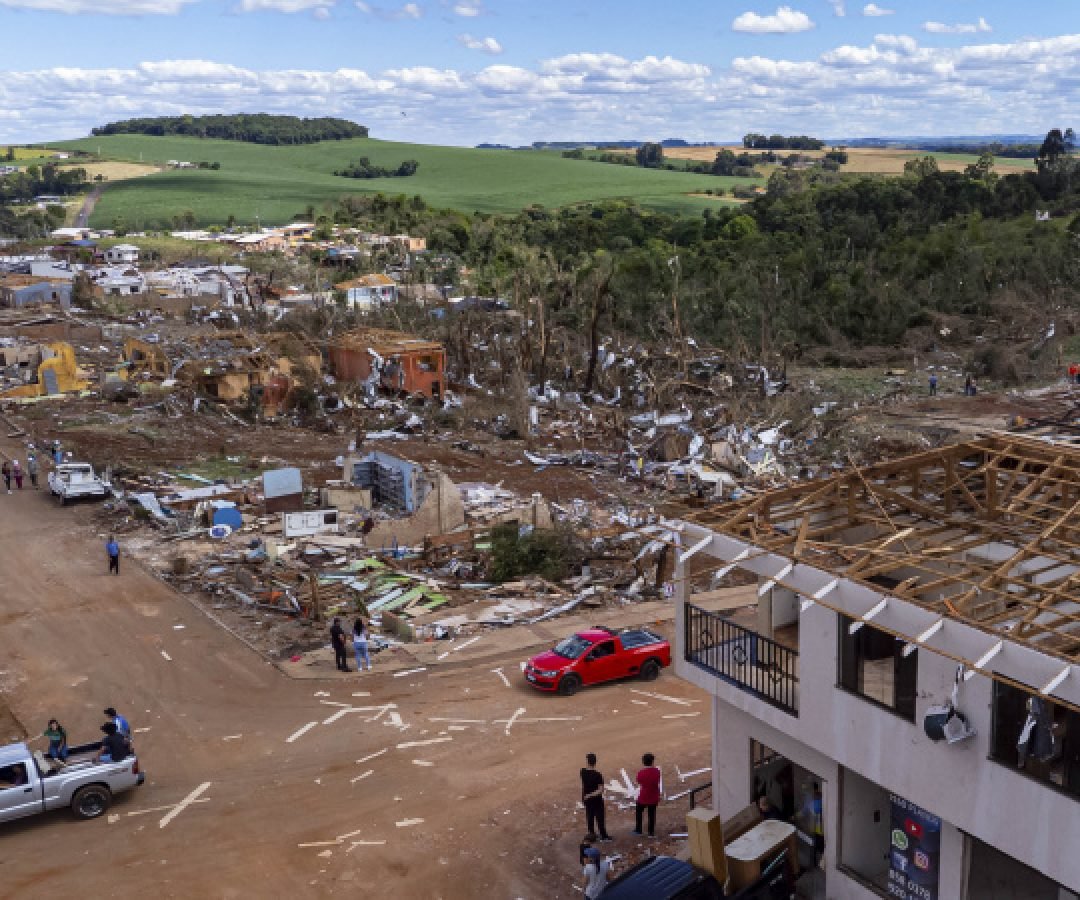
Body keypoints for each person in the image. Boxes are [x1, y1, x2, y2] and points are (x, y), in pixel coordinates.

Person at [580, 752, 611, 841]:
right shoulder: (598, 775)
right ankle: (604, 836)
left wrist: (587, 795)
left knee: (589, 816)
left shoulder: (582, 772)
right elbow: (600, 790)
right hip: (596, 800)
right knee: (600, 817)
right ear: (595, 762)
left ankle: (591, 834)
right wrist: (591, 795)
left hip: (586, 799)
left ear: (587, 761)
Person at [633, 752, 662, 838]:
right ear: (652, 761)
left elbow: (639, 782)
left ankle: (638, 829)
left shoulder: (641, 773)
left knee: (639, 812)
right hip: (654, 796)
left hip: (643, 796)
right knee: (652, 814)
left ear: (643, 762)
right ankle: (651, 832)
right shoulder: (657, 771)